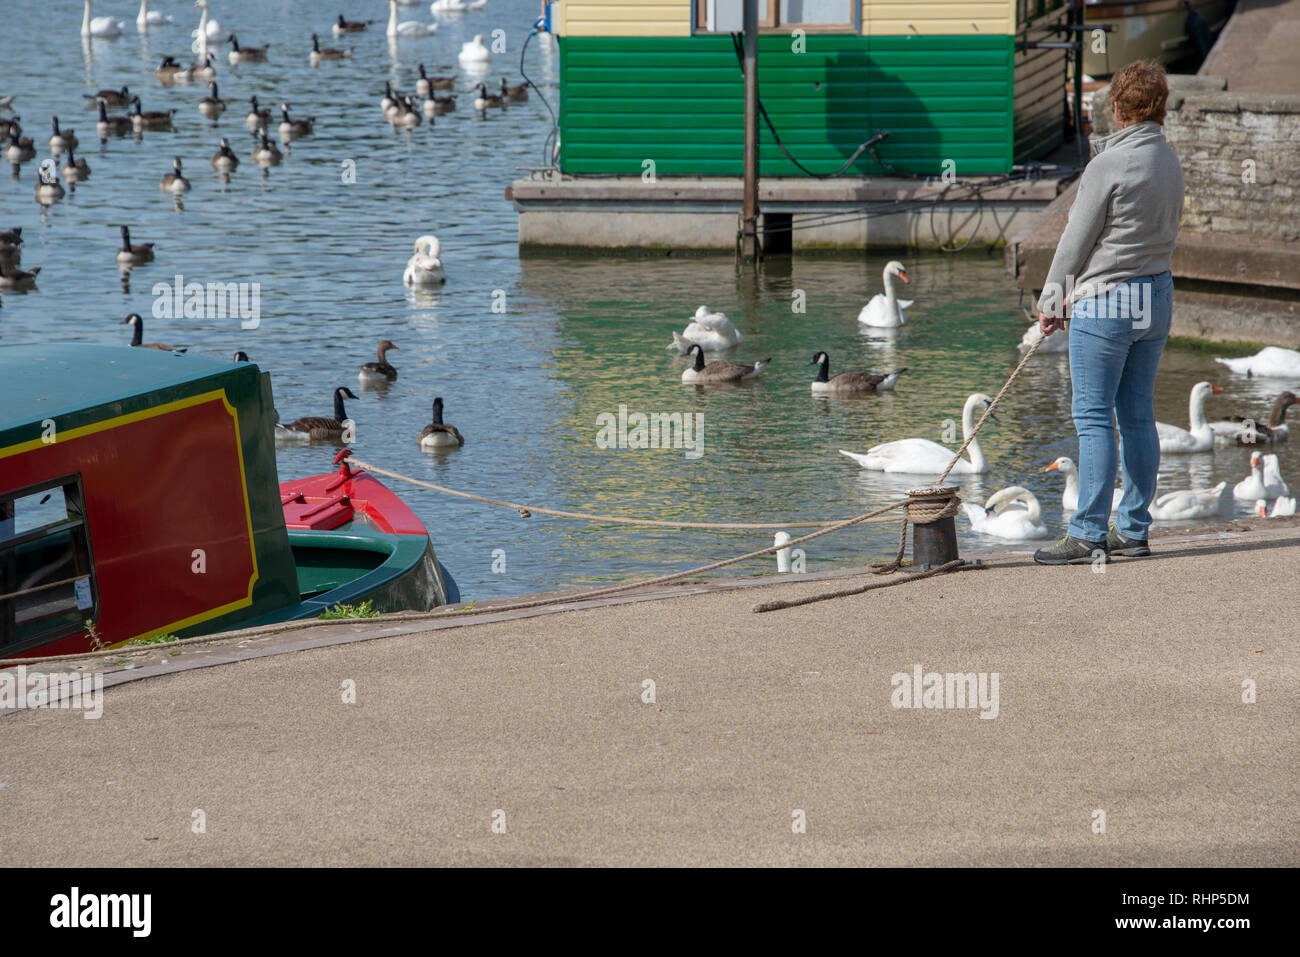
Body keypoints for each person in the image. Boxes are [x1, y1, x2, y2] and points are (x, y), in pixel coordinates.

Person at [1033, 60, 1185, 565]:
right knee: (1138, 416)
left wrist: (1052, 300)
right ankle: (1135, 529)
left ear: (1116, 108)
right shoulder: (1169, 160)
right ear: (1159, 107)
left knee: (1093, 418)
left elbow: (1074, 242)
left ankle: (1087, 532)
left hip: (1109, 300)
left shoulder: (1107, 165)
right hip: (1156, 294)